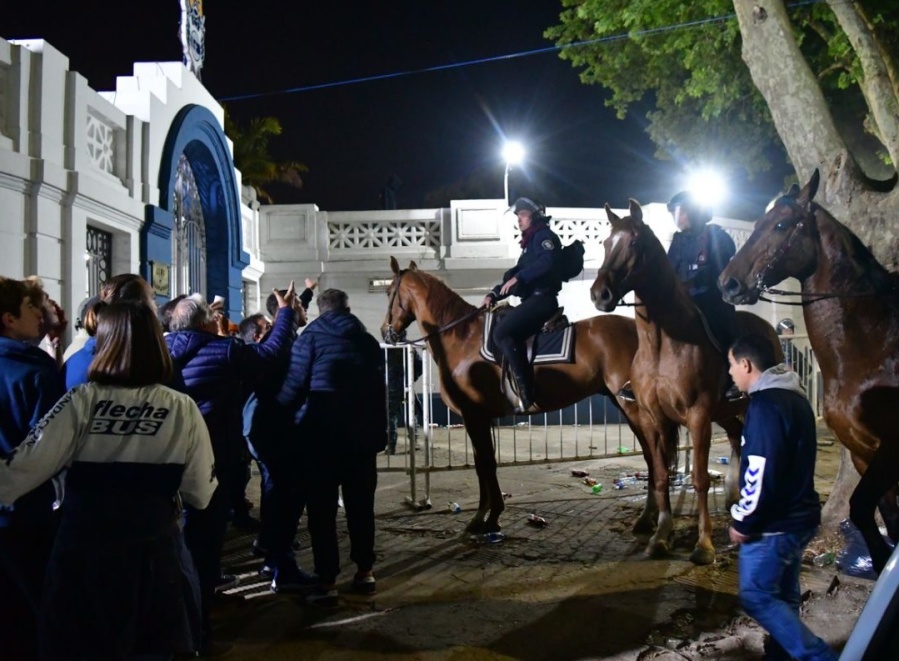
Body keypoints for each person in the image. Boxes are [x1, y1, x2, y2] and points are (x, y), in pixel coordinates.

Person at [0, 301, 217, 659]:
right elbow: (200, 492)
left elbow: (18, 474)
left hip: (84, 557)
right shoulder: (181, 407)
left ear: (105, 343)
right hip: (154, 557)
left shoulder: (81, 401)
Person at [166, 284, 298, 652]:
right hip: (212, 456)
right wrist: (285, 312)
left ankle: (180, 618)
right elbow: (270, 356)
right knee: (205, 539)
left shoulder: (159, 349)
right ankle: (200, 623)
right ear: (207, 325)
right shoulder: (224, 350)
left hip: (168, 457)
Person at [726, 333, 837, 661]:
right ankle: (782, 656)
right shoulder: (795, 398)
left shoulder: (765, 405)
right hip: (800, 519)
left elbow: (760, 473)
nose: (730, 373)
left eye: (731, 366)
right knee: (784, 594)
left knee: (757, 595)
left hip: (774, 525)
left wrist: (743, 520)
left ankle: (819, 657)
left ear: (746, 364)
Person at [277, 288, 387, 608]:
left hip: (319, 441)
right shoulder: (367, 342)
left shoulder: (308, 340)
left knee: (322, 514)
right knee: (361, 509)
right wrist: (379, 436)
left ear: (320, 312)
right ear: (348, 308)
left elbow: (293, 387)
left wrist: (283, 422)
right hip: (361, 442)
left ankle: (327, 582)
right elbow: (379, 392)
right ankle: (365, 572)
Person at [619, 190, 741, 402]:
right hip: (682, 301)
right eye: (674, 213)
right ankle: (642, 377)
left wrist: (691, 283)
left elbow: (720, 269)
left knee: (724, 327)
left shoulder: (716, 236)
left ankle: (733, 379)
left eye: (681, 212)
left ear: (694, 212)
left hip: (709, 299)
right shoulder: (678, 240)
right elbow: (669, 269)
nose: (677, 218)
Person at [0, 276, 65, 659]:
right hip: (24, 513)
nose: (40, 314)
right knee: (30, 614)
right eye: (31, 307)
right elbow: (50, 448)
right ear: (8, 318)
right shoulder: (32, 372)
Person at [481, 197, 562, 413]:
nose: (519, 219)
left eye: (523, 215)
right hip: (531, 299)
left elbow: (548, 262)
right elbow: (514, 276)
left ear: (534, 216)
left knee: (501, 333)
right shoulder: (528, 244)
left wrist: (520, 278)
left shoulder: (544, 236)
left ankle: (527, 392)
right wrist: (493, 294)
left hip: (542, 299)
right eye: (518, 216)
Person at [385, 340, 423, 455]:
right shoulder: (409, 348)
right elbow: (419, 365)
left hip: (392, 385)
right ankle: (414, 442)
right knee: (412, 413)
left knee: (391, 416)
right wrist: (412, 378)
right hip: (407, 384)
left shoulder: (384, 349)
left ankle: (391, 446)